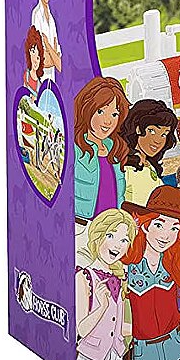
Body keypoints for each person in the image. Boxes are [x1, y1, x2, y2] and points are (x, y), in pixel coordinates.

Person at [121, 186, 180, 360]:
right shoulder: (127, 263)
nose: (166, 235)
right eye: (159, 225)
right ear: (146, 225)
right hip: (143, 351)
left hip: (176, 344)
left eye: (174, 228)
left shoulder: (174, 262)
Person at [75, 208, 136, 360]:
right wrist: (102, 307)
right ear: (97, 237)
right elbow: (81, 330)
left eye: (124, 240)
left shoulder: (120, 278)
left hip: (116, 359)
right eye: (111, 236)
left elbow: (119, 323)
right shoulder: (84, 277)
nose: (117, 245)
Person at [72, 78, 130, 255]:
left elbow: (118, 191)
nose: (108, 121)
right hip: (82, 227)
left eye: (114, 114)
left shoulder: (115, 148)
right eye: (100, 111)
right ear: (87, 109)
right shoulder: (75, 148)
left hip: (111, 231)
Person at [119, 98, 178, 206]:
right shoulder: (126, 169)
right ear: (138, 128)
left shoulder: (149, 166)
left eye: (164, 134)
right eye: (152, 131)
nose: (158, 140)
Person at [30, 0, 62, 84]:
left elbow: (58, 64)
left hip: (52, 80)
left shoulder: (52, 20)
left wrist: (48, 46)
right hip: (41, 80)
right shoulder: (36, 15)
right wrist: (52, 54)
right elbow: (44, 61)